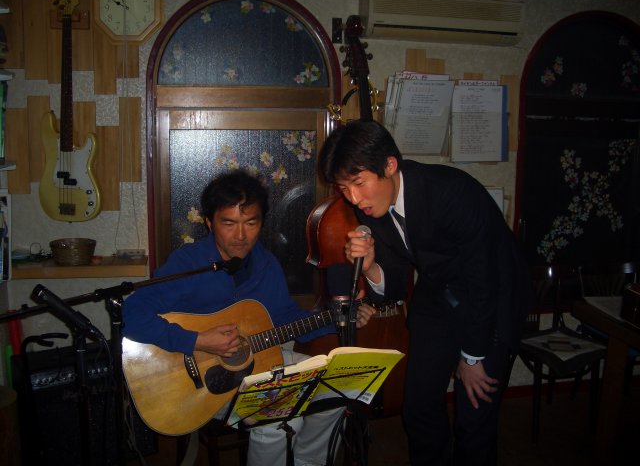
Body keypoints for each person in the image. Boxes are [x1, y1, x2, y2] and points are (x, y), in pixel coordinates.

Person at [122, 169, 375, 466]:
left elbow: (286, 319)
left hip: (261, 361)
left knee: (344, 383)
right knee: (277, 418)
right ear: (210, 223)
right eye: (228, 223)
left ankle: (308, 462)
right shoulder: (188, 263)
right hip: (200, 385)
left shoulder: (266, 264)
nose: (241, 236)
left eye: (250, 223)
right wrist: (197, 340)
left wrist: (338, 319)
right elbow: (131, 314)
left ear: (261, 223)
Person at [318, 120, 533, 466]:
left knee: (473, 417)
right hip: (439, 292)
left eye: (358, 183)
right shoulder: (370, 207)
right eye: (344, 188)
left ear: (389, 165)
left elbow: (484, 280)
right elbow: (392, 286)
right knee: (418, 408)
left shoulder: (451, 192)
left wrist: (472, 358)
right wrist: (371, 267)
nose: (353, 198)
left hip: (494, 295)